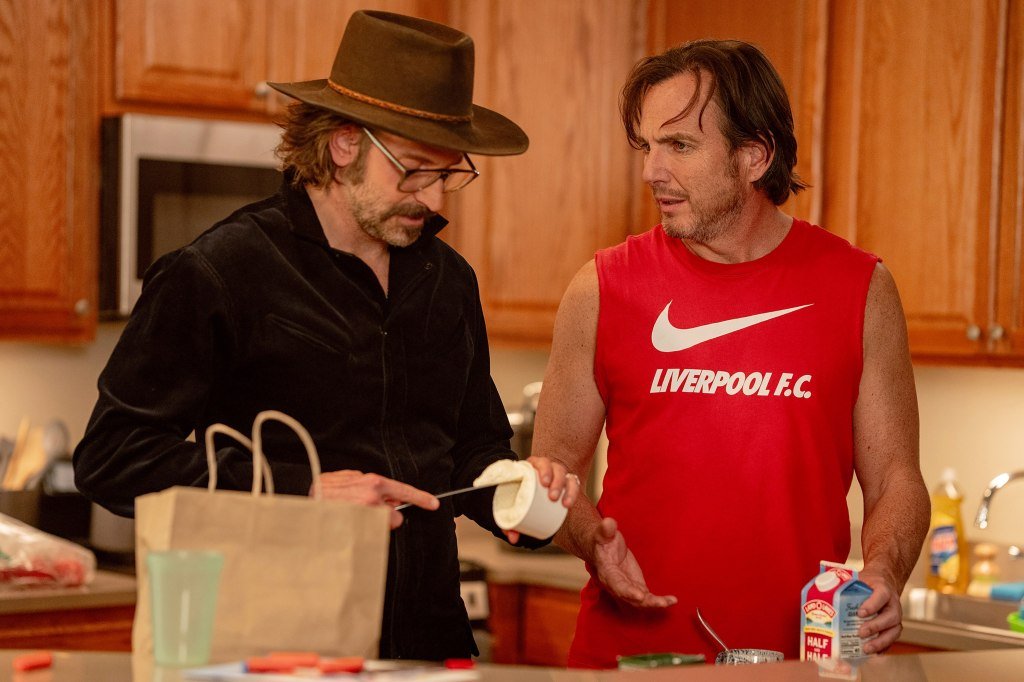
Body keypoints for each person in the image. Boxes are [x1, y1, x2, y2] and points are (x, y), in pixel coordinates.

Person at [73, 10, 580, 661]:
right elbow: (113, 458)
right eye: (415, 169)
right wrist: (304, 489)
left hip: (429, 640)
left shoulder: (448, 281)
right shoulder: (220, 270)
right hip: (279, 643)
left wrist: (518, 487)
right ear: (345, 145)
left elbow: (470, 448)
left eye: (448, 174)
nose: (435, 202)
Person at [531, 39, 930, 667]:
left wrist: (883, 569)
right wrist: (589, 538)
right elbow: (553, 470)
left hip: (797, 662)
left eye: (679, 146)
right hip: (629, 662)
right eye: (646, 146)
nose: (651, 171)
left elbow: (897, 481)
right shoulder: (602, 287)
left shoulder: (860, 288)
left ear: (754, 156)